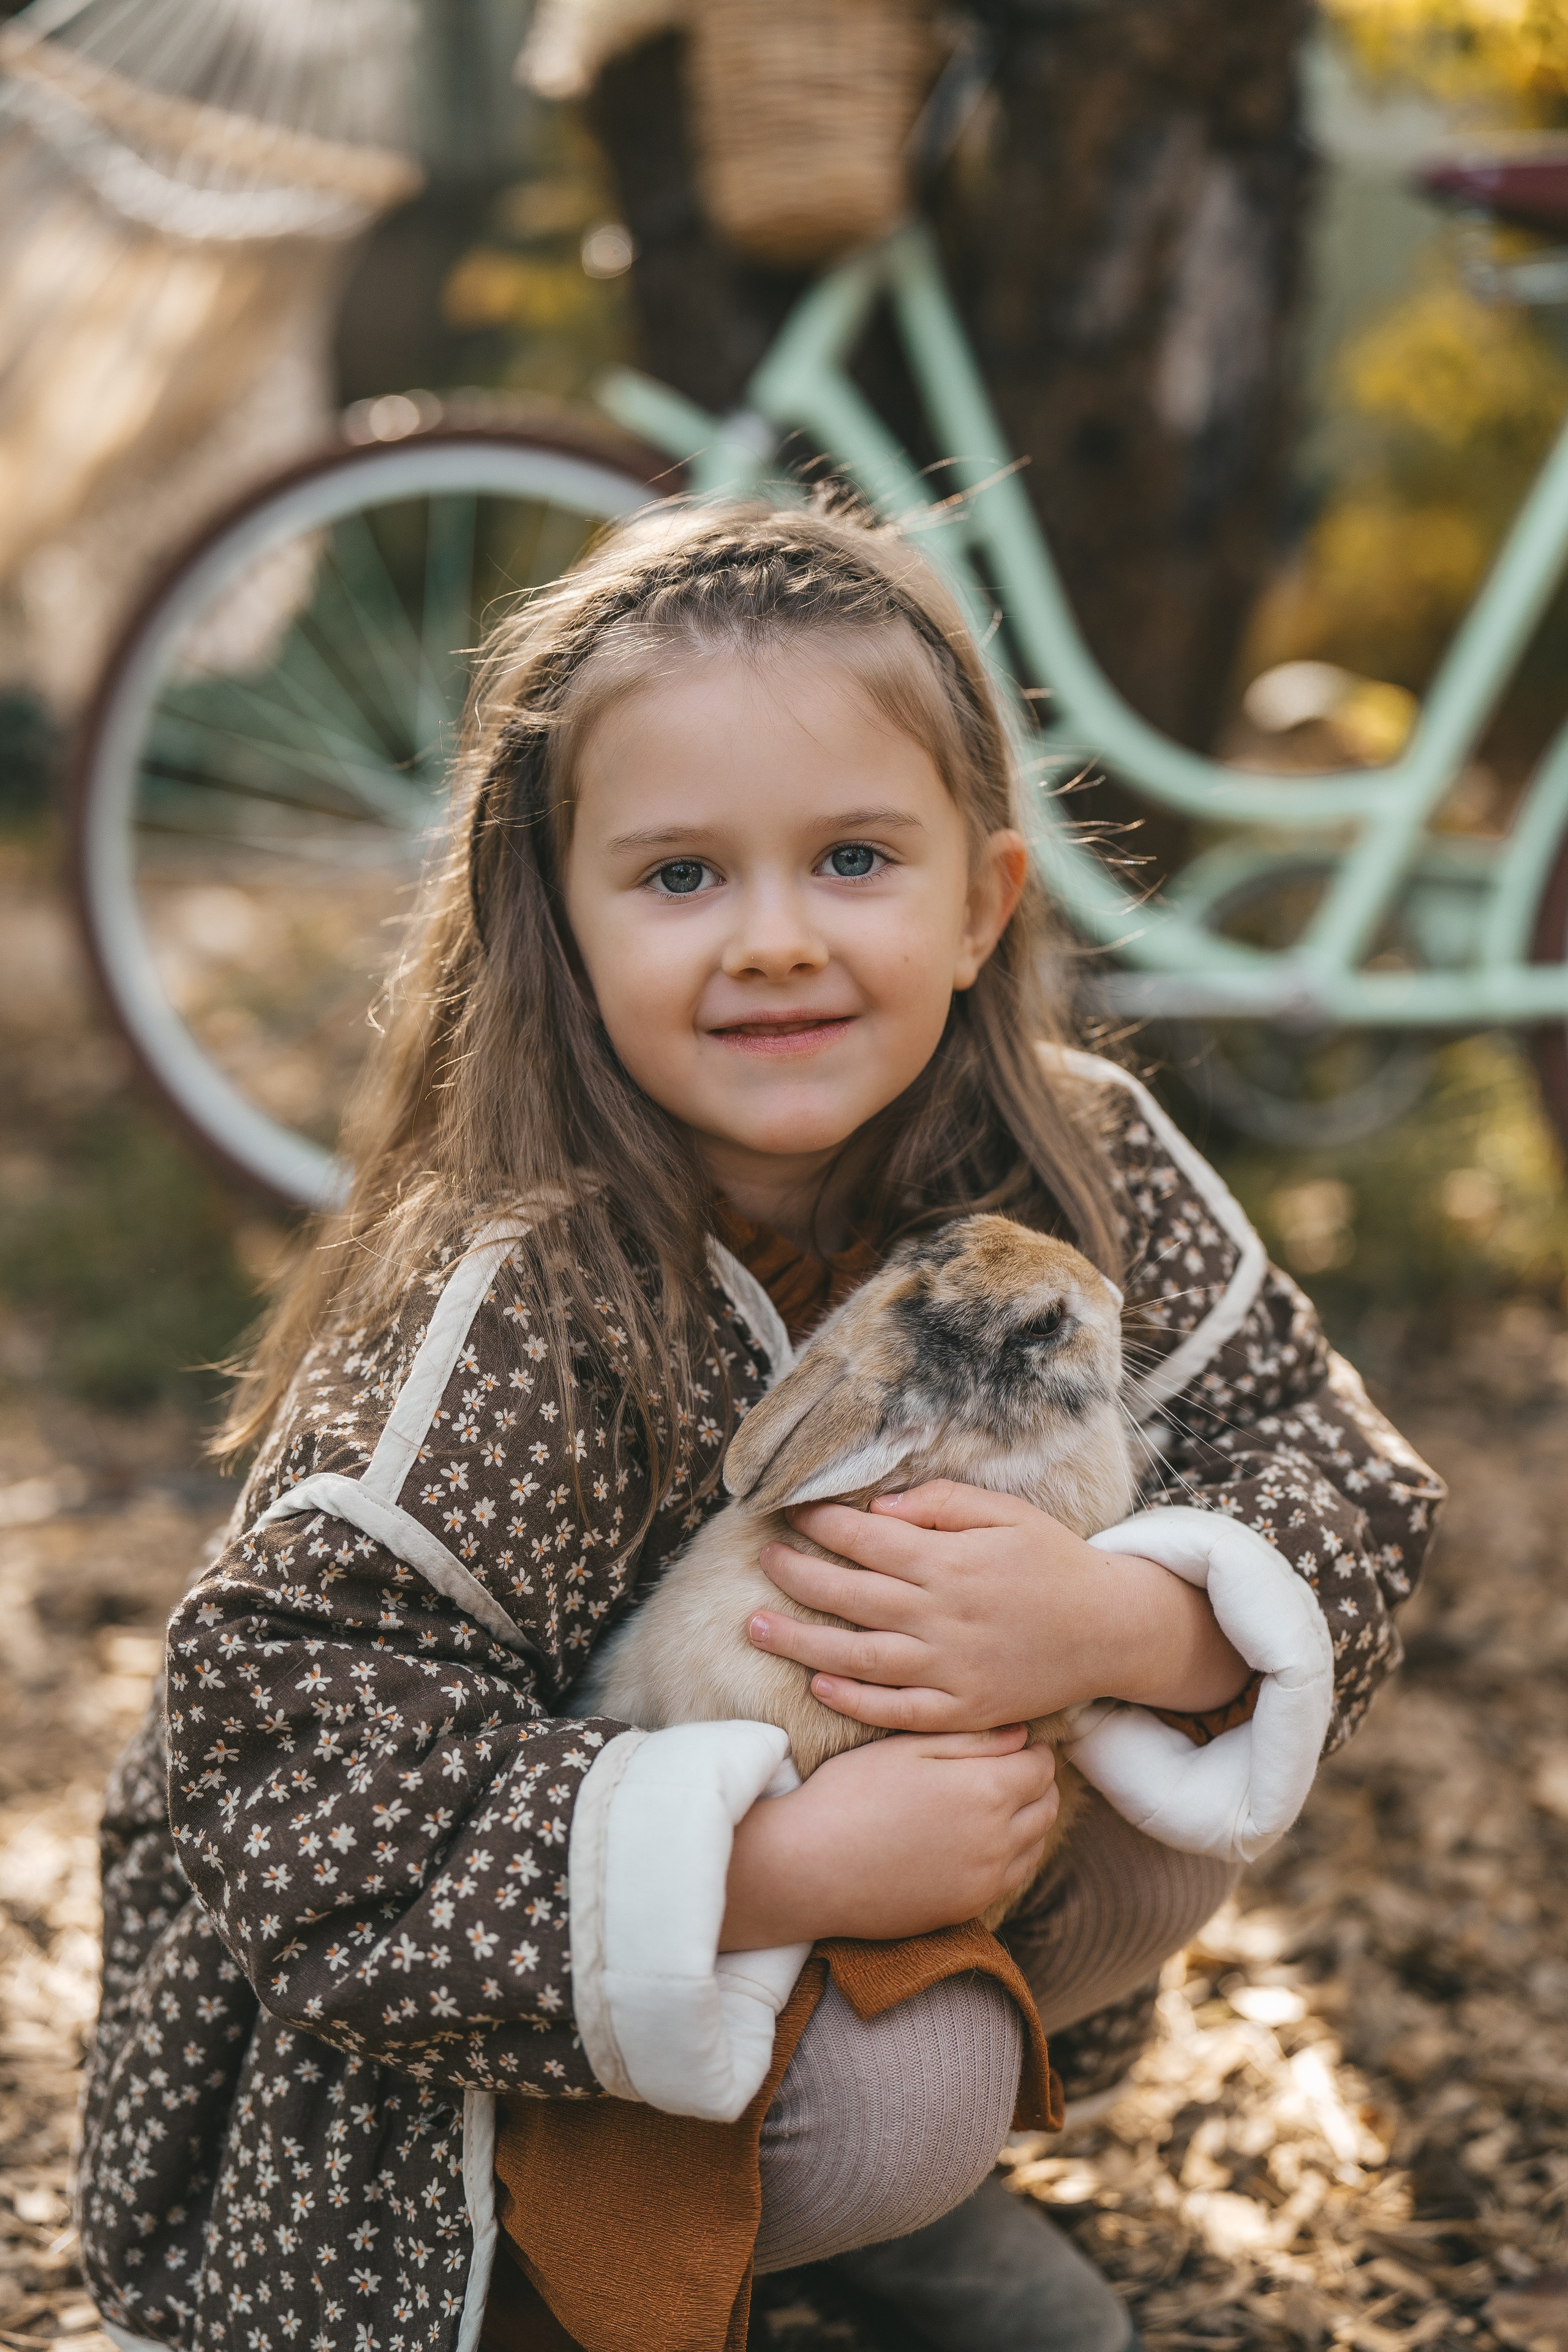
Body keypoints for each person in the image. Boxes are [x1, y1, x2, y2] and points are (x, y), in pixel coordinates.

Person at [77, 501, 1444, 2352]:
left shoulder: (1085, 1153)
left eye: (856, 857)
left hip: (834, 1861)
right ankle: (563, 2272)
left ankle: (839, 2213)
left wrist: (1126, 1625)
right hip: (406, 2066)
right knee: (911, 2083)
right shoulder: (524, 1294)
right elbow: (296, 1784)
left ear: (984, 902)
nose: (778, 940)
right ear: (554, 923)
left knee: (1158, 1797)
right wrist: (770, 1869)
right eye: (680, 877)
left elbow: (1342, 1465)